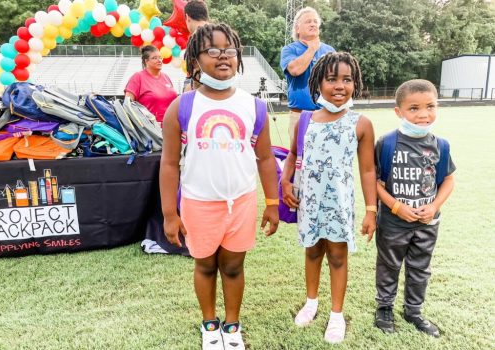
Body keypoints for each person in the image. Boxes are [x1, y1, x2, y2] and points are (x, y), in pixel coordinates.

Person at [160, 23, 279, 350]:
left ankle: (232, 325)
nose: (223, 56)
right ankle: (210, 324)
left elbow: (265, 158)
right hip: (198, 203)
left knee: (233, 265)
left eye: (229, 49)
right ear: (195, 60)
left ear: (238, 57)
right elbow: (169, 163)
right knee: (205, 264)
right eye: (212, 50)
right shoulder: (182, 106)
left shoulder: (253, 106)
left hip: (240, 202)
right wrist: (170, 213)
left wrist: (272, 202)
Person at [281, 52, 377, 344]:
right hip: (309, 203)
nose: (339, 86)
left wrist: (371, 209)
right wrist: (285, 182)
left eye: (346, 79)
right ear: (318, 82)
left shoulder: (360, 123)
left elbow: (368, 169)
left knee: (337, 256)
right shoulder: (306, 120)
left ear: (355, 83)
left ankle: (336, 315)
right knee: (312, 251)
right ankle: (311, 302)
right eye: (331, 78)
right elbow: (294, 156)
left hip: (339, 204)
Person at [373, 79, 455, 337]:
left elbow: (448, 180)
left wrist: (434, 206)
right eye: (414, 108)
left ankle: (414, 311)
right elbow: (374, 183)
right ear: (399, 112)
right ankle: (384, 308)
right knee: (388, 266)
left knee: (420, 268)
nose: (423, 114)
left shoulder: (441, 145)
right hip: (393, 223)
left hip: (427, 223)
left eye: (430, 106)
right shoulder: (386, 143)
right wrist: (396, 206)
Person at [280, 6, 335, 143]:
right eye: (308, 21)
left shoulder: (330, 50)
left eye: (315, 21)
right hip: (299, 115)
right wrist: (312, 49)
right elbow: (295, 70)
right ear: (297, 28)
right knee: (299, 159)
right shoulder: (289, 49)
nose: (313, 24)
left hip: (327, 114)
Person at [124, 45, 177, 127]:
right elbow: (128, 105)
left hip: (172, 126)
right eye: (154, 58)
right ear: (146, 61)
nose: (159, 60)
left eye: (160, 57)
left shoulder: (166, 77)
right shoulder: (138, 77)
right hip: (151, 130)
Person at [182, 0, 210, 92]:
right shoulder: (221, 34)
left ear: (187, 17)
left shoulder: (197, 37)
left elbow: (197, 75)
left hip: (200, 89)